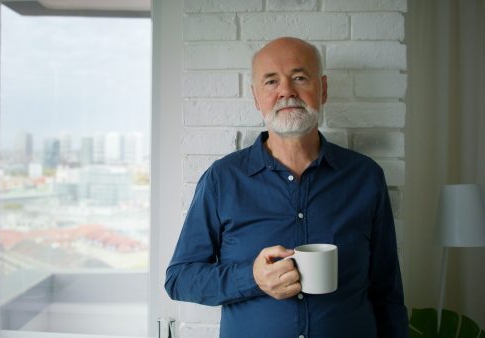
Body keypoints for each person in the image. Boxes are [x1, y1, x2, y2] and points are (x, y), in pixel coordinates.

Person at [164, 37, 408, 337]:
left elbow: (388, 293)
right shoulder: (222, 179)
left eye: (300, 78)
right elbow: (179, 279)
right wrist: (251, 278)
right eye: (271, 81)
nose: (286, 91)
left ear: (324, 89)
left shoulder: (365, 176)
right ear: (256, 97)